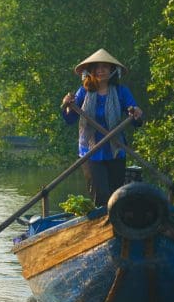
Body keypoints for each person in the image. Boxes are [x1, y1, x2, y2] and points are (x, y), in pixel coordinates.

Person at [61, 48, 144, 207]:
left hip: (115, 150)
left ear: (112, 70)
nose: (101, 71)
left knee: (116, 195)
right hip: (91, 152)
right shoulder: (83, 93)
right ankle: (102, 227)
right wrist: (67, 105)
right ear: (91, 71)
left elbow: (135, 119)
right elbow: (70, 119)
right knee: (101, 195)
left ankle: (115, 227)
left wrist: (136, 113)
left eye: (105, 67)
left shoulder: (121, 92)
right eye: (97, 68)